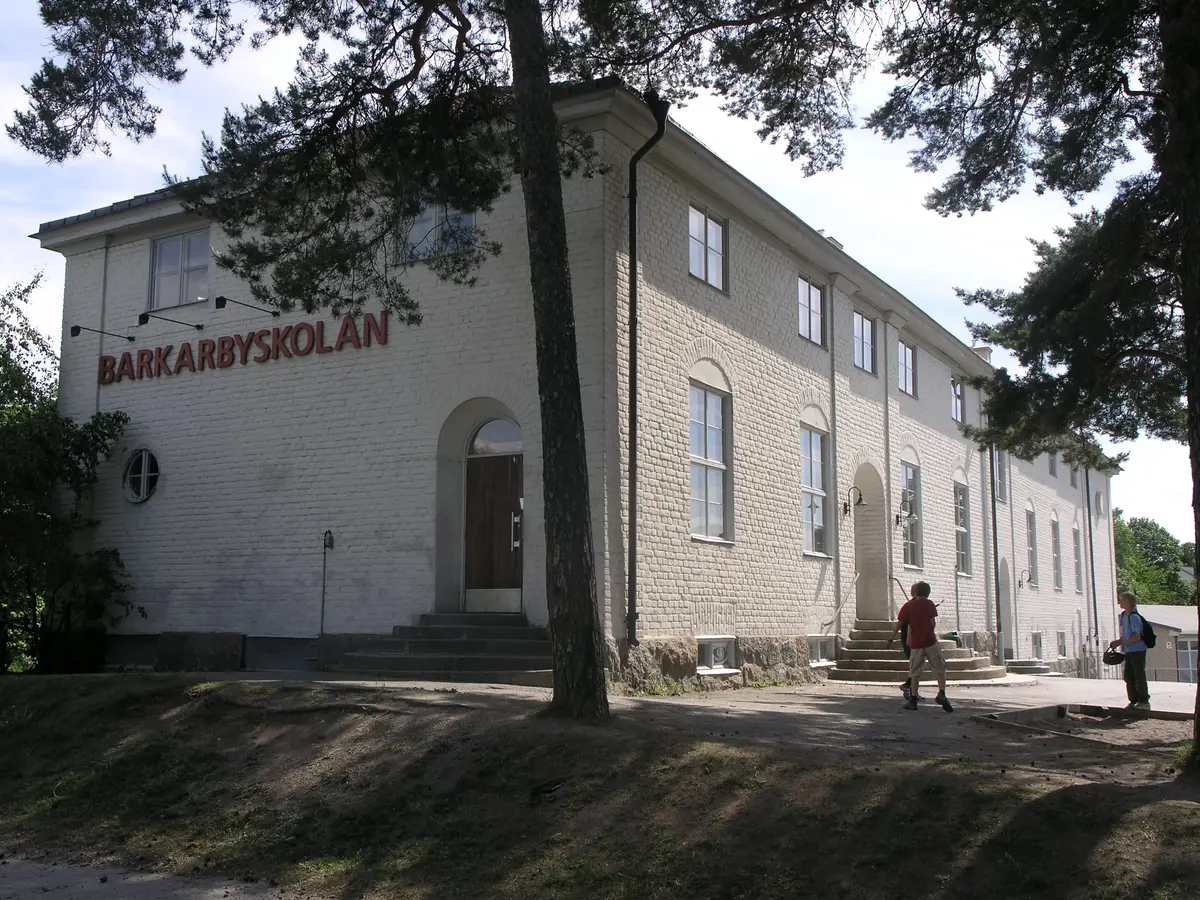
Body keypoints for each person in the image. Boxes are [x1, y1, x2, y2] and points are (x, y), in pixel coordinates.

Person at [887, 581, 953, 712]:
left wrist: (891, 637)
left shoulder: (908, 606)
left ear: (915, 592)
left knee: (915, 672)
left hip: (916, 643)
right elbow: (932, 623)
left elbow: (899, 623)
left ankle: (913, 699)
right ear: (928, 593)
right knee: (939, 667)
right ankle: (941, 693)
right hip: (930, 641)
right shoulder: (930, 604)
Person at [1110, 591, 1151, 709]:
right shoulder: (1124, 616)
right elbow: (1126, 635)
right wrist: (1118, 642)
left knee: (1138, 674)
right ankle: (1133, 700)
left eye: (1122, 600)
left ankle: (1144, 701)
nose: (1120, 603)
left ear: (1128, 601)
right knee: (1128, 675)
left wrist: (1123, 642)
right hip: (1129, 650)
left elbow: (1136, 637)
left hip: (1138, 650)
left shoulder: (1134, 617)